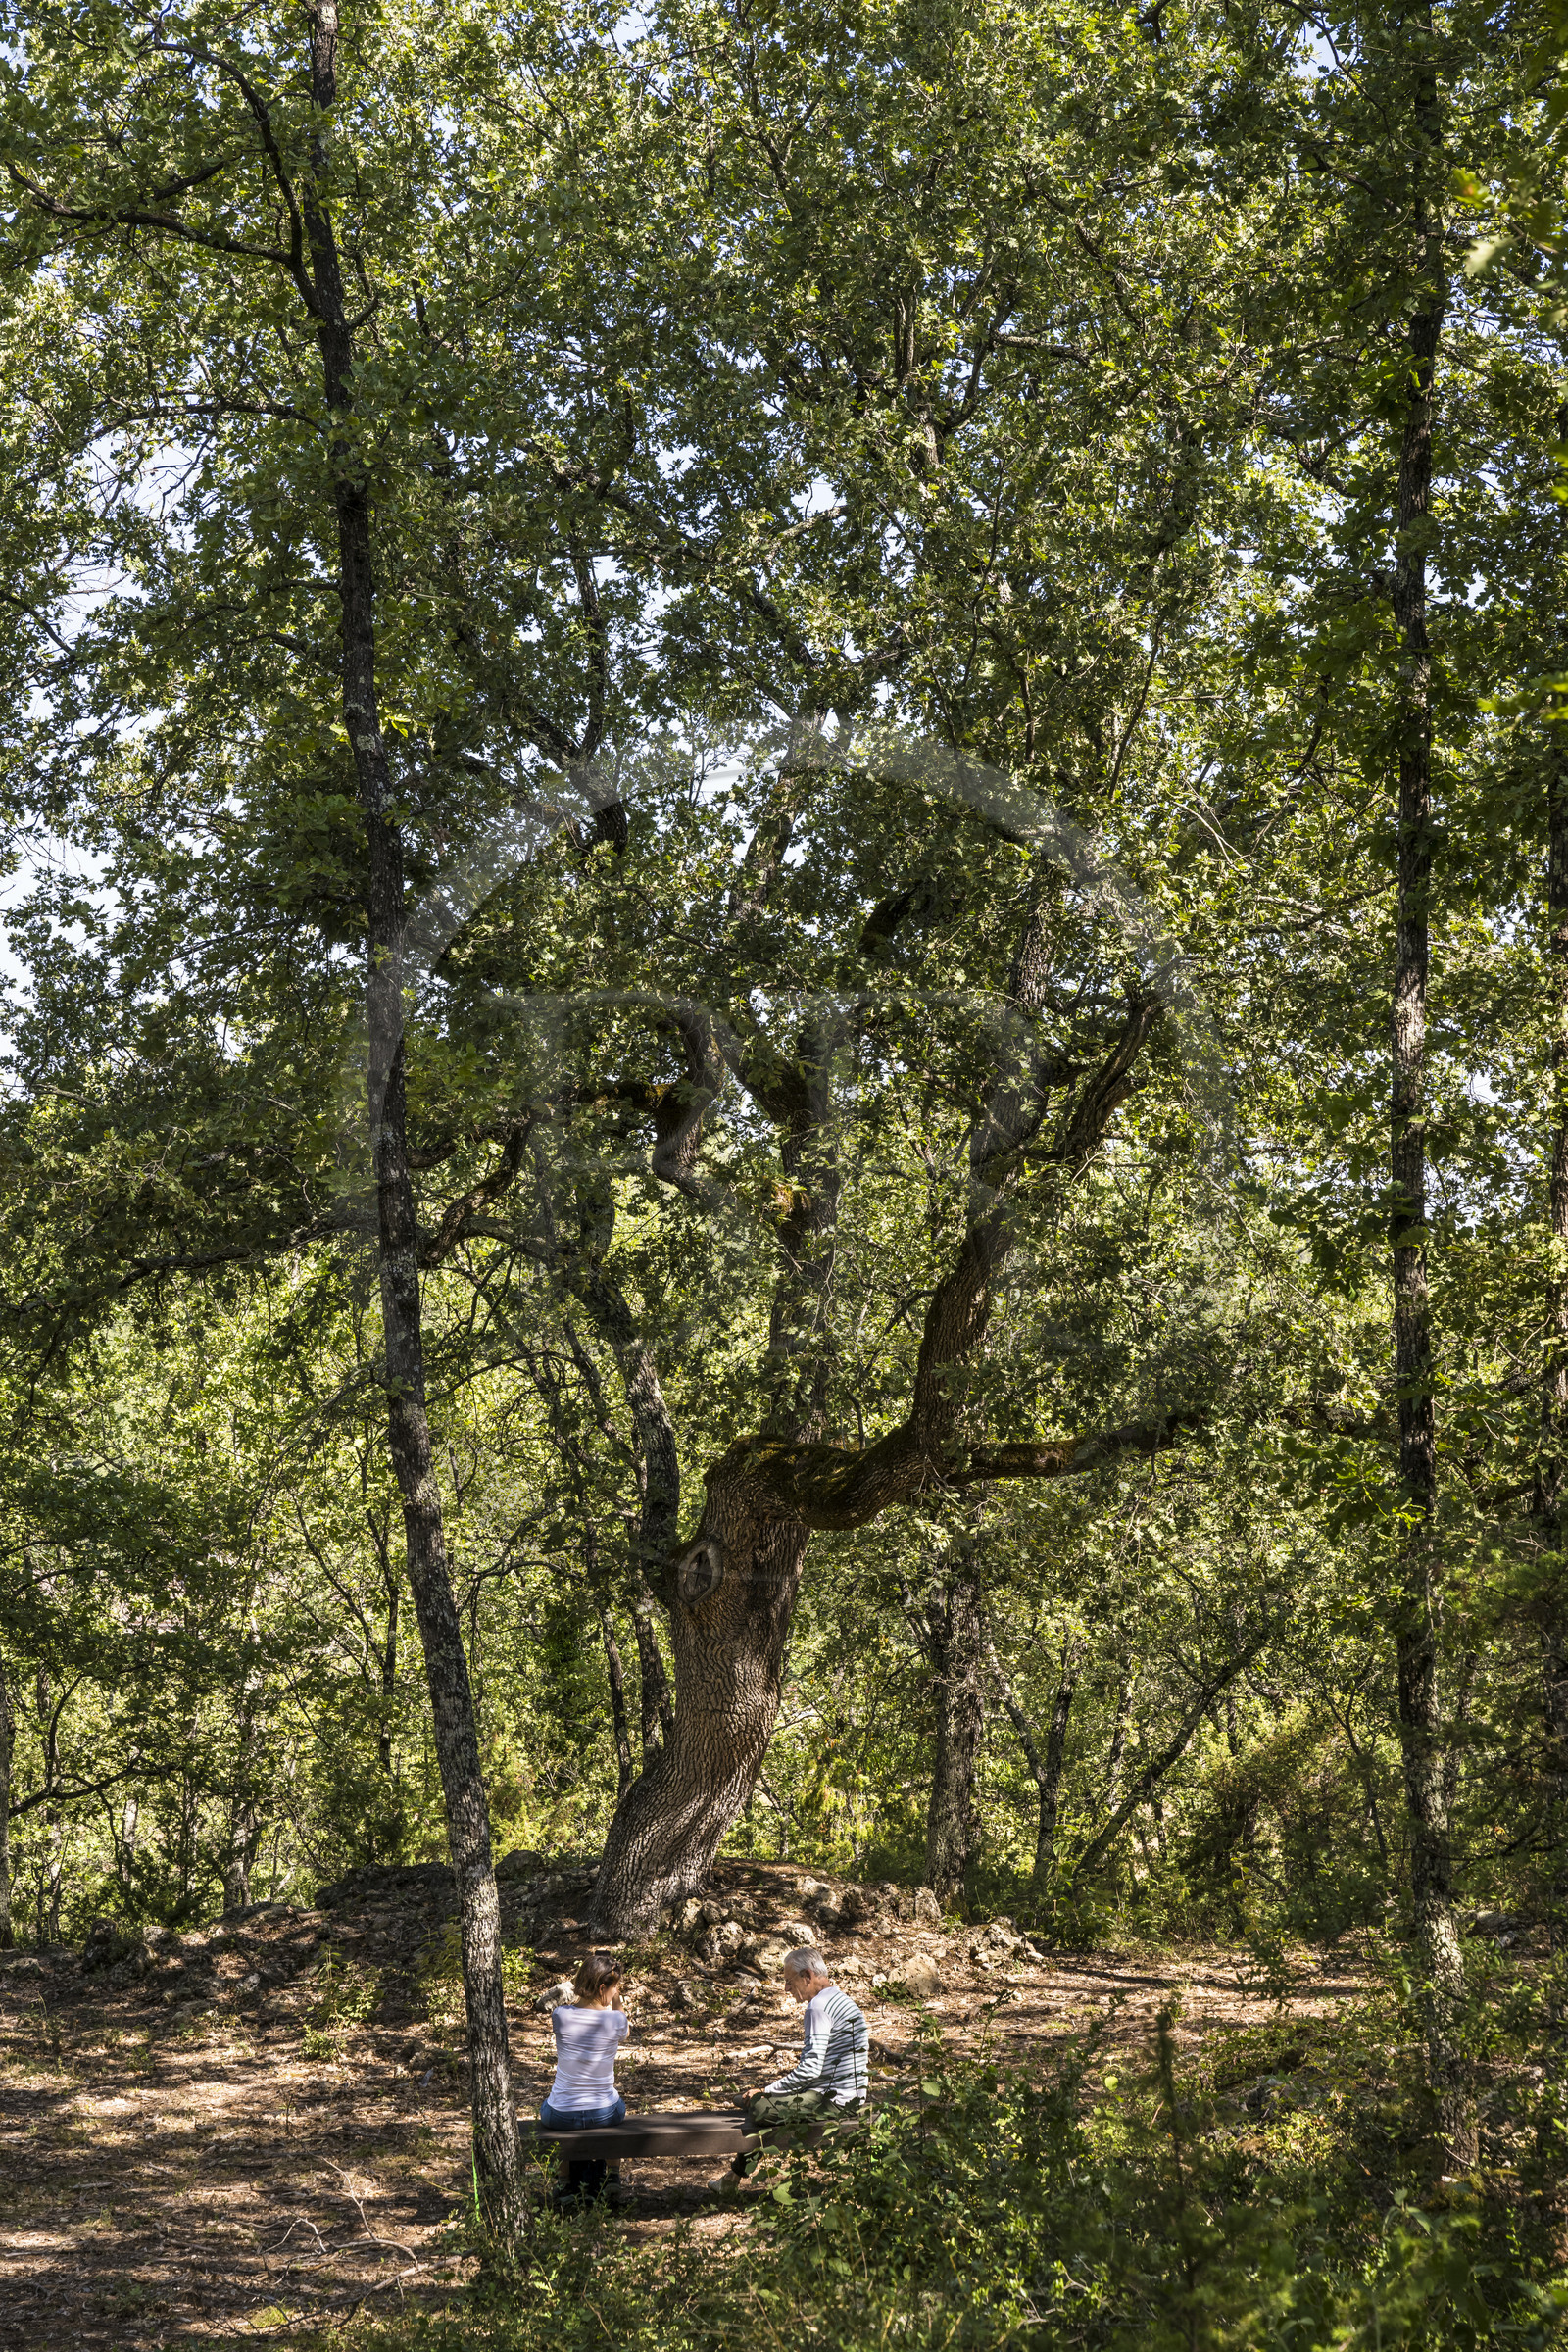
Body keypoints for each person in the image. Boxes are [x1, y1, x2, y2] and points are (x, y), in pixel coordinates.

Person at [724, 1945, 867, 2183]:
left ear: (807, 1976)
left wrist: (766, 2091)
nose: (786, 1988)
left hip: (834, 2101)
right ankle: (732, 2178)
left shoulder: (818, 2007)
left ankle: (733, 2175)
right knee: (762, 2106)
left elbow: (811, 2069)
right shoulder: (843, 2001)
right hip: (850, 2096)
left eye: (789, 1981)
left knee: (761, 2109)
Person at [541, 1951, 630, 2206]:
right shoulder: (616, 2020)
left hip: (561, 2115)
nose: (616, 1992)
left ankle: (564, 2182)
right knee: (619, 2105)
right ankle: (612, 2175)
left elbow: (576, 2006)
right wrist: (617, 2002)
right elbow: (624, 2030)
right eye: (614, 1988)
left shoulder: (560, 2015)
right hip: (604, 2113)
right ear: (602, 1988)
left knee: (549, 2106)